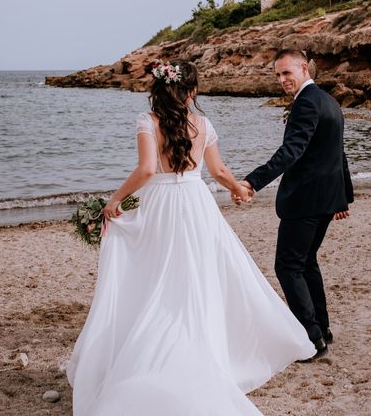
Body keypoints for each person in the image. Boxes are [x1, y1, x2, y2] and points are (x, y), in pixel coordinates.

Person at [66, 59, 315, 415]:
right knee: (198, 277)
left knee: (156, 277)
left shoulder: (148, 122)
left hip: (161, 205)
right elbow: (217, 171)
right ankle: (200, 349)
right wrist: (239, 190)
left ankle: (155, 354)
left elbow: (148, 169)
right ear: (192, 92)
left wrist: (115, 200)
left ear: (158, 88)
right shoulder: (204, 123)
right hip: (196, 204)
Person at [239, 49, 354, 360]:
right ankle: (323, 330)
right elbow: (337, 153)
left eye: (286, 73)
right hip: (325, 198)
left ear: (303, 68)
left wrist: (252, 181)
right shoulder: (328, 100)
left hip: (304, 200)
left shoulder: (306, 103)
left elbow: (291, 151)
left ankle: (311, 339)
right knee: (306, 263)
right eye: (277, 75)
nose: (281, 80)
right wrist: (343, 196)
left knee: (288, 266)